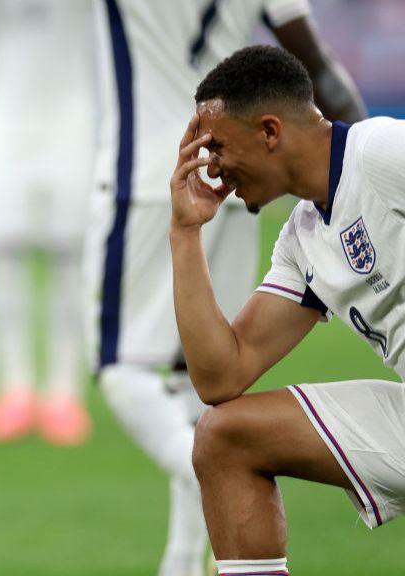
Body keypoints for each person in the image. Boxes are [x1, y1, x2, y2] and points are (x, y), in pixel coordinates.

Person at [87, 1, 365, 574]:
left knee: (122, 369)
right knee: (209, 390)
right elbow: (319, 64)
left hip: (151, 169)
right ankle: (183, 555)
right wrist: (352, 166)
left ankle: (194, 470)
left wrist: (363, 172)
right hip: (242, 169)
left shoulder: (383, 161)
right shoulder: (308, 228)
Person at [171, 44, 405, 576]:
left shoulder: (383, 152)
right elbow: (220, 376)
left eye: (220, 147)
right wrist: (185, 232)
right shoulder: (302, 239)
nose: (216, 171)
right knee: (224, 436)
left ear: (270, 132)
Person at [0, 0, 97, 447]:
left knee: (70, 254)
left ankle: (63, 395)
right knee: (3, 251)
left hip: (75, 115)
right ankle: (14, 391)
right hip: (3, 117)